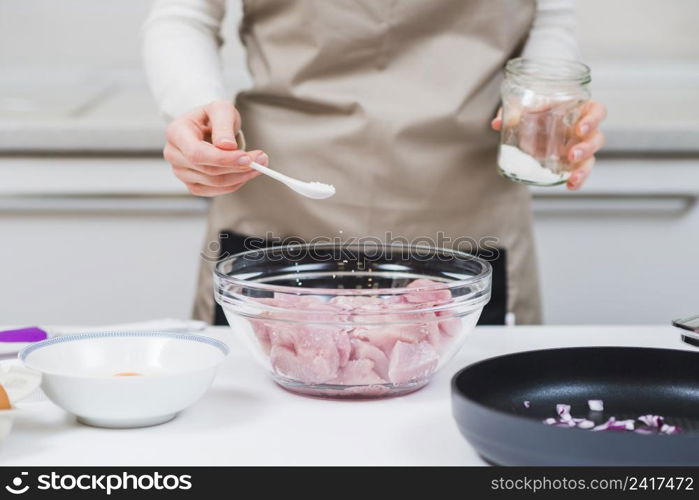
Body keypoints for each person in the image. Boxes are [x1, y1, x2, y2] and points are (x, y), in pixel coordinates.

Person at [143, 0, 606, 326]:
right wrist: (195, 107)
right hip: (281, 200)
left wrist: (546, 100)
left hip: (463, 198)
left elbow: (549, 16)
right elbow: (185, 13)